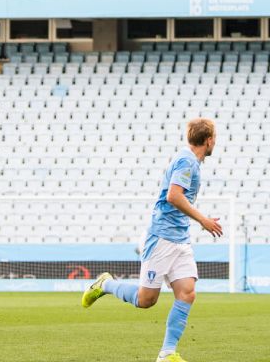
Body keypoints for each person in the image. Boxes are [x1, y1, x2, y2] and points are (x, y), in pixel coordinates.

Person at [81, 118, 224, 362]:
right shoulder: (187, 161)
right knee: (146, 300)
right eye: (215, 140)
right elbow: (173, 196)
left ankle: (167, 353)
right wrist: (203, 220)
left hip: (180, 238)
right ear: (209, 140)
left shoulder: (191, 161)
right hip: (162, 237)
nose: (215, 144)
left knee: (187, 293)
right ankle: (105, 284)